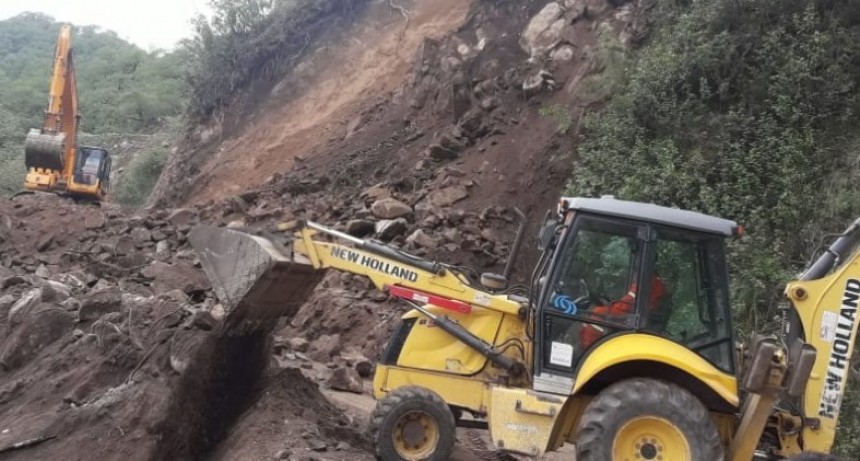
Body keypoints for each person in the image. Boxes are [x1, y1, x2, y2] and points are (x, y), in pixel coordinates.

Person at [579, 273, 667, 348]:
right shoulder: (652, 280)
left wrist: (610, 306)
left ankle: (587, 348)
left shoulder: (647, 280)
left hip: (635, 319)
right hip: (636, 317)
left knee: (598, 313)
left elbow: (627, 304)